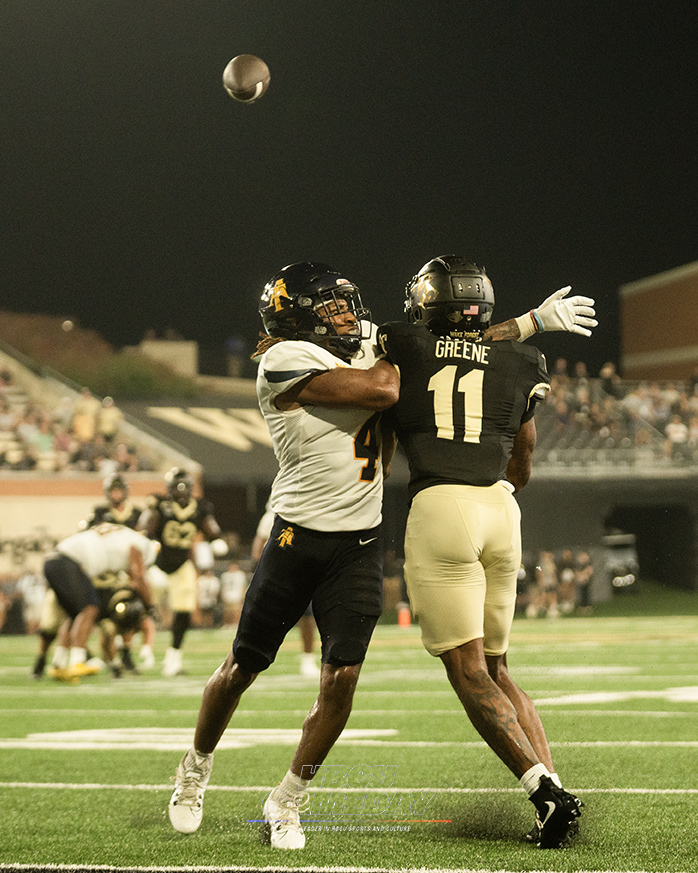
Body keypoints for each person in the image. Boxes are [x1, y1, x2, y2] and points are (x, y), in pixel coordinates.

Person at [167, 260, 595, 850]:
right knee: (243, 666)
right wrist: (434, 344)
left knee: (341, 680)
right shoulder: (284, 361)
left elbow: (457, 344)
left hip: (360, 540)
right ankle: (196, 765)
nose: (348, 316)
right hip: (296, 535)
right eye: (331, 309)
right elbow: (387, 387)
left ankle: (287, 799)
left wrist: (527, 323)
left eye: (348, 305)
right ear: (294, 318)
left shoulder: (373, 344)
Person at [377, 255, 590, 849]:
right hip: (501, 508)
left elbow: (444, 347)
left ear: (427, 305)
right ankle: (556, 786)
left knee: (467, 671)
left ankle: (543, 792)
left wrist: (528, 320)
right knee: (498, 667)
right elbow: (523, 453)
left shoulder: (406, 346)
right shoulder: (523, 360)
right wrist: (531, 323)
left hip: (441, 504)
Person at [137, 467, 227, 677]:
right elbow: (145, 526)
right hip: (158, 565)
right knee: (140, 608)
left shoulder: (201, 507)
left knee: (185, 609)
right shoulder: (159, 504)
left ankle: (173, 659)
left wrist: (216, 539)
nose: (181, 492)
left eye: (185, 488)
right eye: (177, 488)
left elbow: (211, 528)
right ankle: (132, 651)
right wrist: (148, 542)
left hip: (182, 564)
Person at [42, 523, 158, 682]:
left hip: (53, 560)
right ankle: (77, 661)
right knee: (90, 608)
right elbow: (138, 577)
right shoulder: (140, 545)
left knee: (74, 615)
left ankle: (58, 663)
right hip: (68, 561)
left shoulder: (122, 536)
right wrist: (150, 606)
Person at [81, 473, 156, 671]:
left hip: (129, 572)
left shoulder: (137, 514)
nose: (116, 494)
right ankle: (86, 653)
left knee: (130, 611)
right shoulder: (99, 513)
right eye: (113, 490)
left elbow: (145, 541)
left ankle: (125, 651)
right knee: (101, 617)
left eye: (119, 490)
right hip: (105, 573)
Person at [252, 503, 321, 678]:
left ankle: (307, 659)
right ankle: (254, 656)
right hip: (277, 576)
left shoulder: (306, 514)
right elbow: (258, 549)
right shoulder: (271, 518)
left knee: (307, 616)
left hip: (299, 574)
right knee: (262, 618)